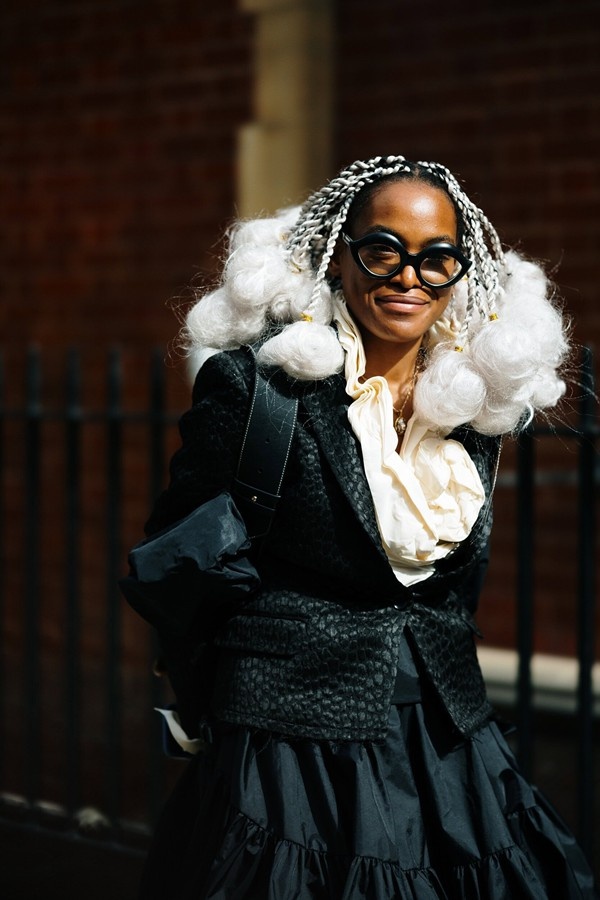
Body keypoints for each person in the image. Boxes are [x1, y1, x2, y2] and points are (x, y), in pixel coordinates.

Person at [132, 155, 597, 898]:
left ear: (459, 274)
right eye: (383, 249)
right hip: (292, 734)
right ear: (338, 256)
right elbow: (181, 556)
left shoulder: (472, 408)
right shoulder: (260, 389)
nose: (409, 276)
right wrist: (210, 694)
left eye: (437, 258)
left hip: (444, 736)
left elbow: (455, 590)